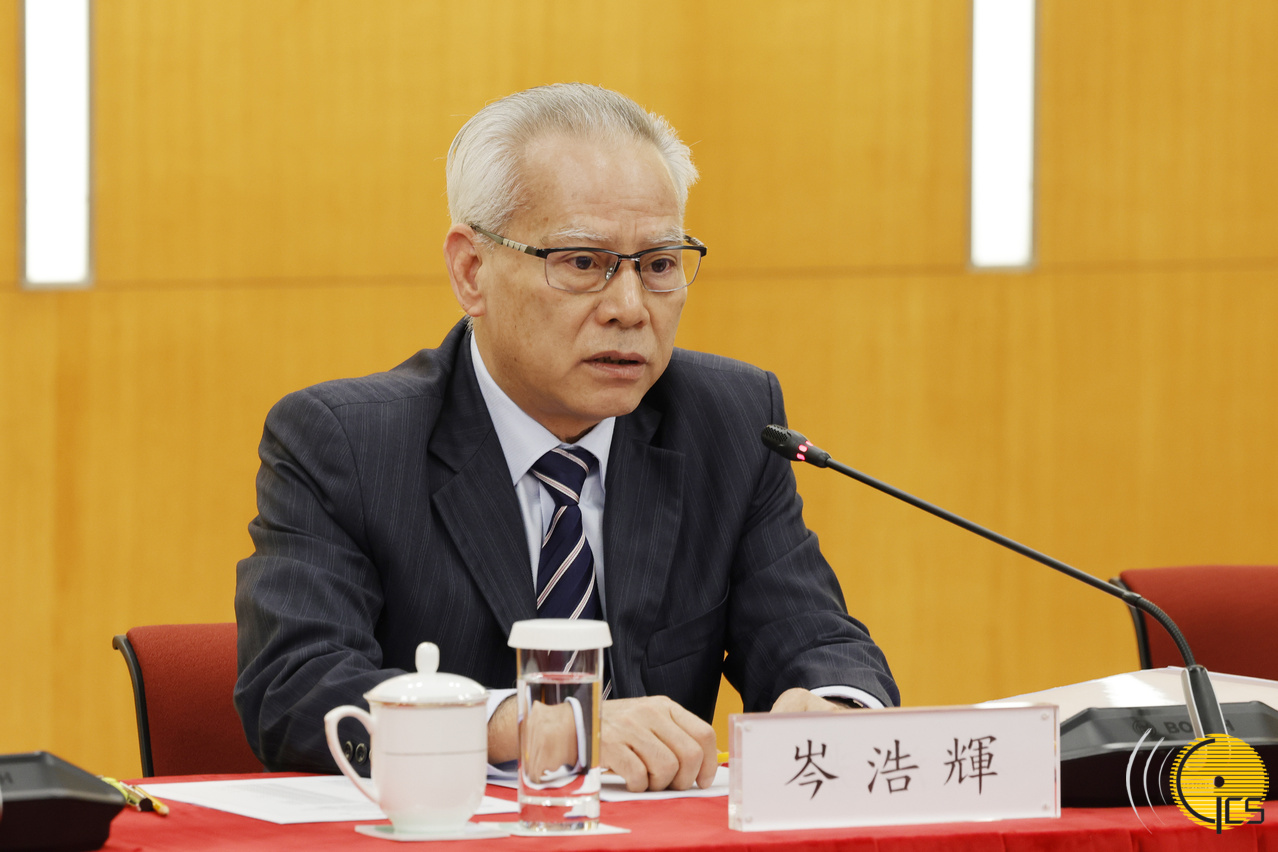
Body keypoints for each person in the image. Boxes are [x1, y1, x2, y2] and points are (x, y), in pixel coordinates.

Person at [234, 83, 898, 792]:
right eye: (583, 262)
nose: (629, 308)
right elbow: (295, 688)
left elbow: (818, 642)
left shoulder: (729, 422)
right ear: (472, 271)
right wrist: (543, 725)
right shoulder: (347, 444)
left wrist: (833, 710)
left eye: (659, 264)